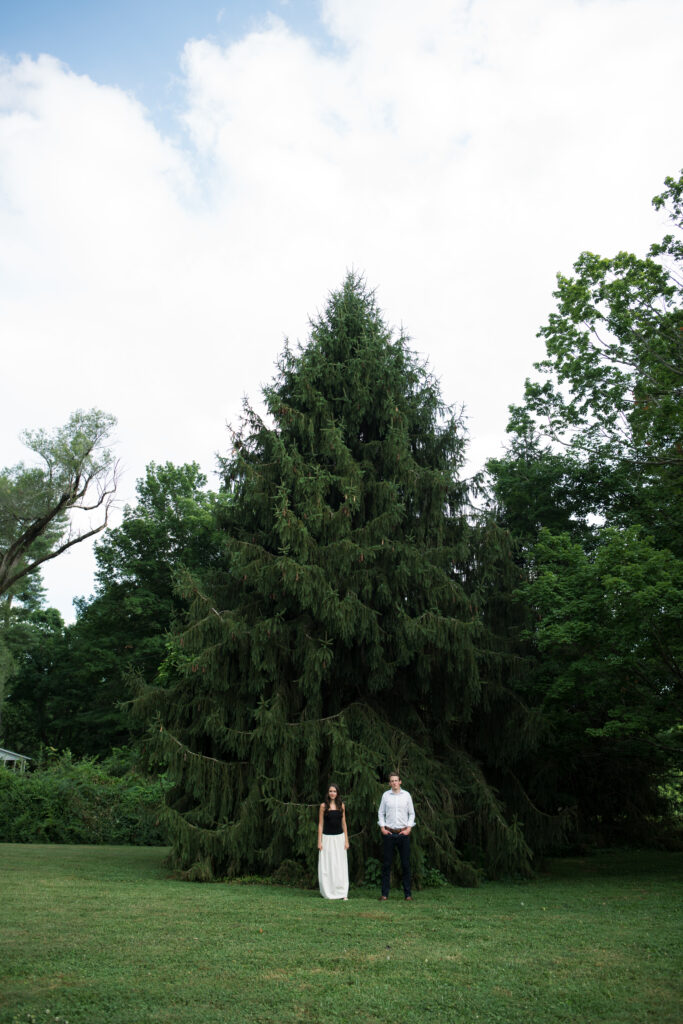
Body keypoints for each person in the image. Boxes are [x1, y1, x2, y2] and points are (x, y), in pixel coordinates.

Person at [378, 771, 415, 900]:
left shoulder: (407, 796)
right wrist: (382, 828)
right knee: (387, 864)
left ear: (400, 782)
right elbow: (381, 812)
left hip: (403, 834)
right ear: (389, 783)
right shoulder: (385, 796)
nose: (394, 782)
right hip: (389, 833)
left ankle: (408, 894)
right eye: (392, 781)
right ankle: (384, 894)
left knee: (405, 864)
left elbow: (412, 813)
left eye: (396, 780)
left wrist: (409, 828)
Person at [318, 783, 349, 900]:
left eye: (334, 791)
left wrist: (346, 840)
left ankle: (342, 892)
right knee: (328, 865)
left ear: (337, 793)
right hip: (327, 839)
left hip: (339, 839)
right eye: (330, 791)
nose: (332, 793)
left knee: (340, 866)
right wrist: (319, 841)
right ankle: (328, 891)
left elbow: (344, 823)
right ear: (328, 793)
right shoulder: (323, 806)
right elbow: (321, 825)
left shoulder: (341, 806)